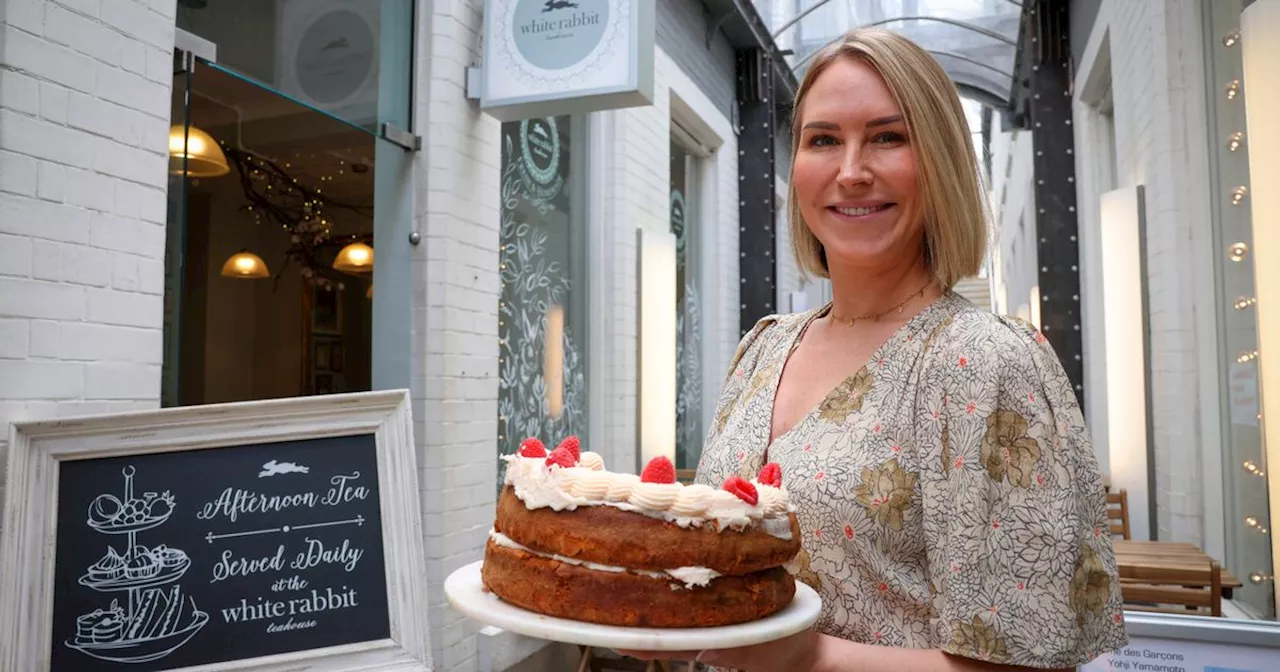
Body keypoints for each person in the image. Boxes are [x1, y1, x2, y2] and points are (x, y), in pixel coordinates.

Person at [621, 28, 1127, 672]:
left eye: (888, 137)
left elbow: (1025, 663)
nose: (851, 171)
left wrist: (806, 655)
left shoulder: (983, 362)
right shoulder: (764, 347)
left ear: (938, 159)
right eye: (823, 139)